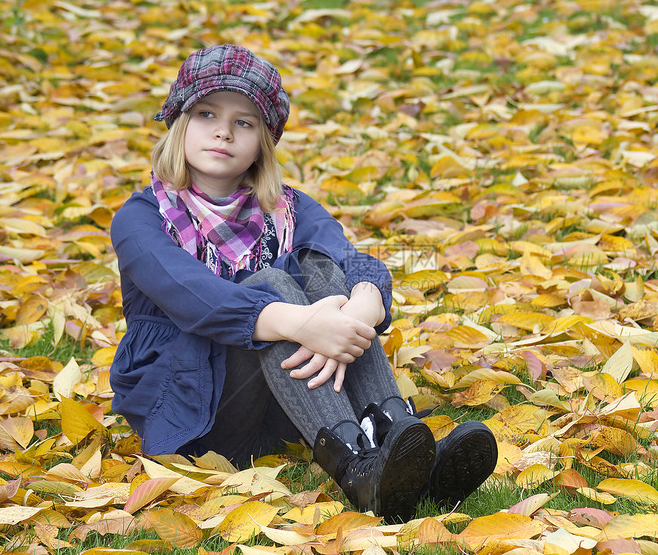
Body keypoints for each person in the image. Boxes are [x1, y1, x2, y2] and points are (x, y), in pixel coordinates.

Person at [109, 44, 497, 521]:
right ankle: (358, 467)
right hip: (194, 406)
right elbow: (196, 299)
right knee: (271, 280)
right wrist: (304, 324)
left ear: (263, 141)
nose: (223, 132)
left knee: (320, 270)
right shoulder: (141, 218)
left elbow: (354, 262)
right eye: (207, 113)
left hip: (283, 408)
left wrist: (354, 314)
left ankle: (397, 438)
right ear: (179, 122)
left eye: (244, 122)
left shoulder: (290, 208)